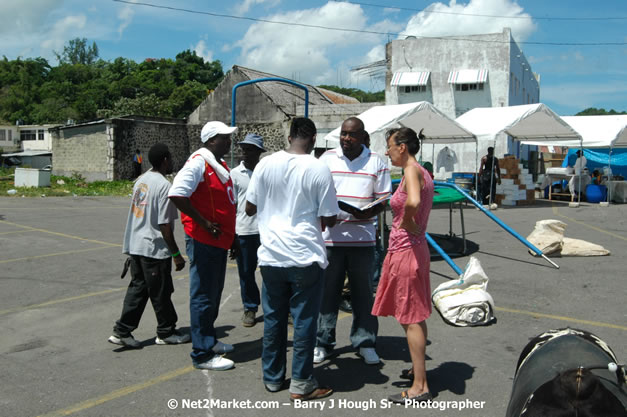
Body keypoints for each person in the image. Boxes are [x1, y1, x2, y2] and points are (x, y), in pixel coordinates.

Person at [245, 117, 339, 401]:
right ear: (311, 139)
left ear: (290, 136)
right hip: (304, 255)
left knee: (273, 319)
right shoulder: (318, 168)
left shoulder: (264, 164)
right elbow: (331, 218)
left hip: (272, 256)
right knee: (304, 321)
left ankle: (272, 378)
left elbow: (250, 208)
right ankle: (301, 382)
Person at [314, 117, 391, 366]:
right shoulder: (326, 159)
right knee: (327, 294)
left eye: (351, 135)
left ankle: (365, 342)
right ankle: (323, 342)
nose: (346, 139)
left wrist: (370, 211)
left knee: (362, 295)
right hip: (330, 240)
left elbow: (383, 199)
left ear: (362, 136)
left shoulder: (377, 161)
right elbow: (316, 193)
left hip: (363, 240)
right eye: (343, 135)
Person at [168, 121, 239, 371]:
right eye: (224, 138)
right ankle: (201, 353)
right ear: (211, 141)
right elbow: (177, 194)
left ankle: (209, 340)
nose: (229, 141)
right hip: (203, 239)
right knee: (203, 295)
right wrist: (204, 222)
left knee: (214, 292)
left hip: (219, 240)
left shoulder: (218, 165)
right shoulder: (199, 162)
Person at [372, 127, 434, 404]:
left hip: (406, 251)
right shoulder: (422, 171)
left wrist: (408, 221)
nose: (387, 151)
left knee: (409, 317)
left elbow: (414, 201)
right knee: (413, 315)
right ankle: (417, 369)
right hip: (413, 249)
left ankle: (420, 386)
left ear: (403, 147)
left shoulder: (411, 169)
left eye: (390, 146)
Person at [108, 143, 190, 349]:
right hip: (153, 248)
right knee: (161, 291)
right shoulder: (164, 186)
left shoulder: (141, 181)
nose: (172, 162)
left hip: (136, 246)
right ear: (165, 160)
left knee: (139, 289)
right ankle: (166, 331)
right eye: (170, 158)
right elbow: (164, 224)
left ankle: (122, 331)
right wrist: (176, 254)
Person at [230, 133, 266, 327]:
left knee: (272, 272)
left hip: (267, 231)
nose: (245, 152)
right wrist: (231, 236)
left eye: (250, 149)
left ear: (259, 152)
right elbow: (231, 205)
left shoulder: (266, 171)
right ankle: (250, 308)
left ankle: (275, 308)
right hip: (243, 231)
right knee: (246, 273)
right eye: (243, 148)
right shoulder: (234, 174)